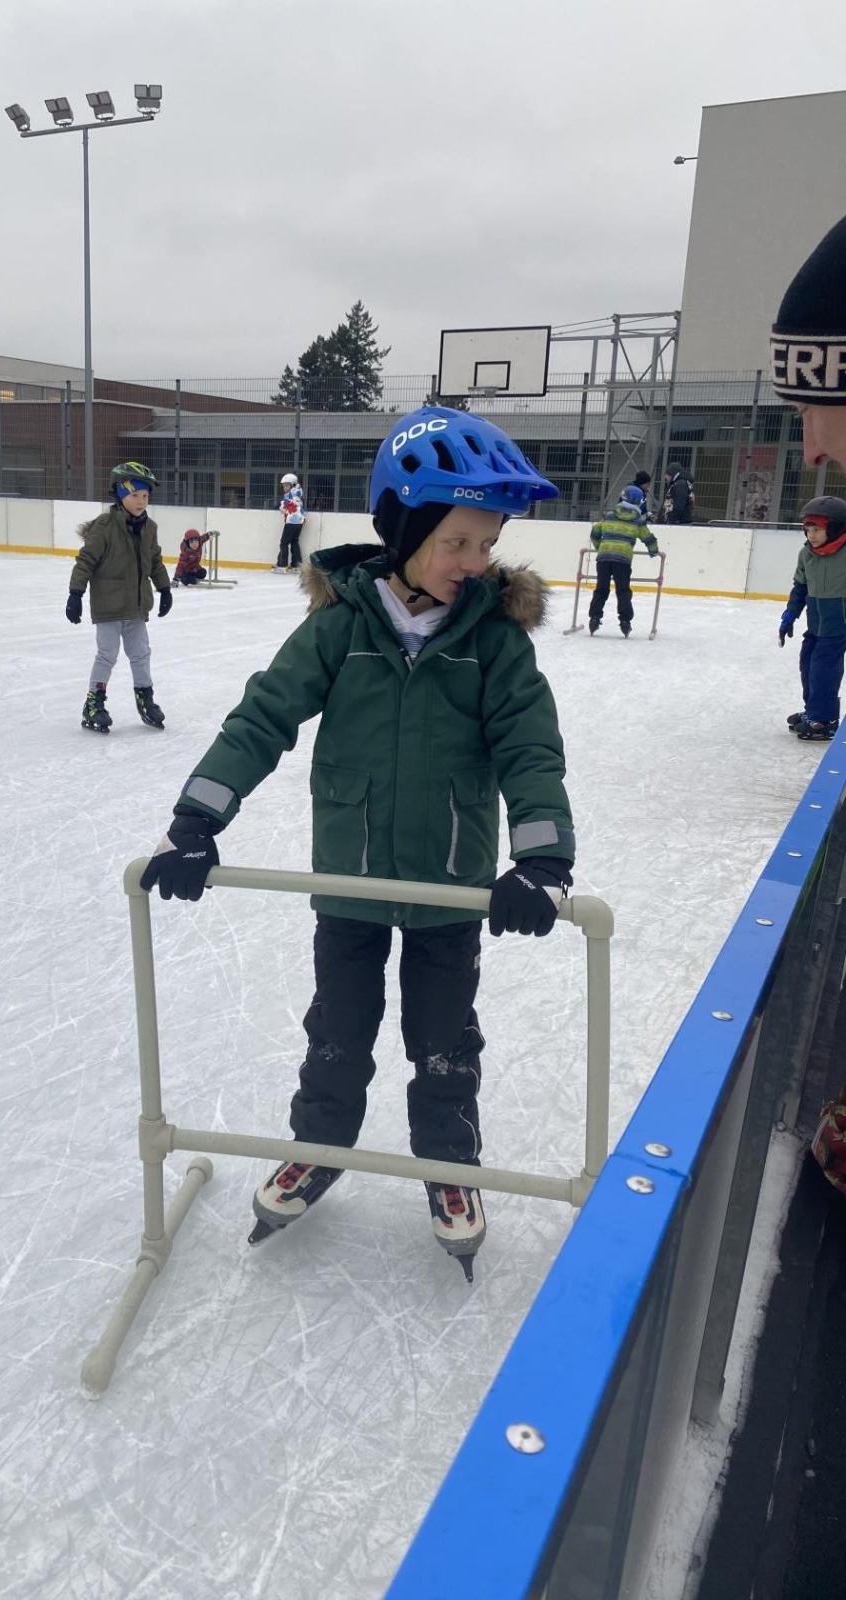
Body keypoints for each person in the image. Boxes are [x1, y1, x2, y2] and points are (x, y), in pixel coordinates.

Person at [139, 406, 574, 1278]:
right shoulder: (341, 626)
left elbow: (530, 749)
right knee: (337, 1033)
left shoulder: (493, 642)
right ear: (404, 531)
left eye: (487, 544)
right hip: (352, 881)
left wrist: (542, 858)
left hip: (449, 885)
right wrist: (196, 822)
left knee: (444, 1042)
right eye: (456, 542)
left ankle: (449, 1165)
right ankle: (319, 1148)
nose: (475, 562)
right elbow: (263, 718)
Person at [771, 213, 846, 1192]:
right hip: (823, 630)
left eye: (816, 406)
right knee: (818, 672)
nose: (814, 445)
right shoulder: (814, 551)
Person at [66, 461, 172, 733]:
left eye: (145, 495)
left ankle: (145, 700)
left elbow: (155, 561)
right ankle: (94, 703)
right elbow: (85, 561)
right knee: (107, 655)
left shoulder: (149, 527)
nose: (141, 501)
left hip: (136, 607)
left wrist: (164, 589)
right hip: (109, 606)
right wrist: (75, 593)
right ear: (120, 494)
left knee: (141, 654)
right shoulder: (104, 526)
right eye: (135, 495)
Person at [779, 495, 846, 740]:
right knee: (807, 663)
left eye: (817, 529)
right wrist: (789, 615)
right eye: (808, 529)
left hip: (839, 624)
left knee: (823, 668)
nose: (812, 535)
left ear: (835, 528)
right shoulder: (806, 554)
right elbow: (800, 587)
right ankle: (814, 711)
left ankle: (824, 720)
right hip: (816, 623)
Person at [587, 488, 661, 636]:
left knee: (601, 589)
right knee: (623, 590)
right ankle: (625, 621)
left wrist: (600, 547)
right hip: (622, 560)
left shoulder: (609, 516)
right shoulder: (637, 520)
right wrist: (654, 551)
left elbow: (595, 532)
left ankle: (594, 618)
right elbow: (648, 538)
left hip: (604, 558)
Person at [275, 472, 305, 571]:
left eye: (287, 485)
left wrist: (279, 505)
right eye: (284, 486)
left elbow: (284, 506)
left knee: (283, 543)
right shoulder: (298, 492)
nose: (284, 487)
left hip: (292, 522)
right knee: (294, 542)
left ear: (292, 485)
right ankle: (296, 566)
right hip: (299, 522)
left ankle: (282, 565)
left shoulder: (291, 494)